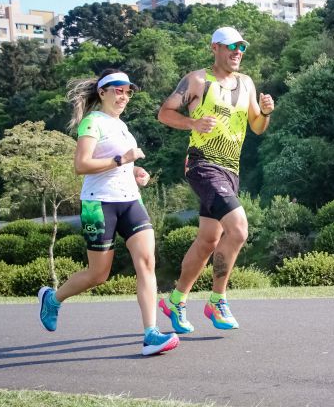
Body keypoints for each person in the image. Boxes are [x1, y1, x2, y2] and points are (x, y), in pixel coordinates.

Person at [37, 69, 178, 356]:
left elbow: (122, 164)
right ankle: (53, 298)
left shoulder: (122, 126)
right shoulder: (92, 123)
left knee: (147, 262)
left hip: (130, 201)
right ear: (102, 92)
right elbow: (82, 165)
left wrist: (136, 170)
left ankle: (151, 334)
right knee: (98, 274)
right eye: (118, 90)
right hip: (98, 204)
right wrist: (121, 159)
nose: (124, 96)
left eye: (128, 92)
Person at [157, 27, 274, 333]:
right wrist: (193, 122)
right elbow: (165, 113)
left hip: (230, 169)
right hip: (202, 163)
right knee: (238, 229)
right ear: (215, 48)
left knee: (209, 239)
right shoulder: (197, 80)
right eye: (233, 46)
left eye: (242, 48)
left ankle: (175, 300)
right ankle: (216, 300)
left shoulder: (246, 83)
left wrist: (265, 113)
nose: (238, 52)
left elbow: (258, 127)